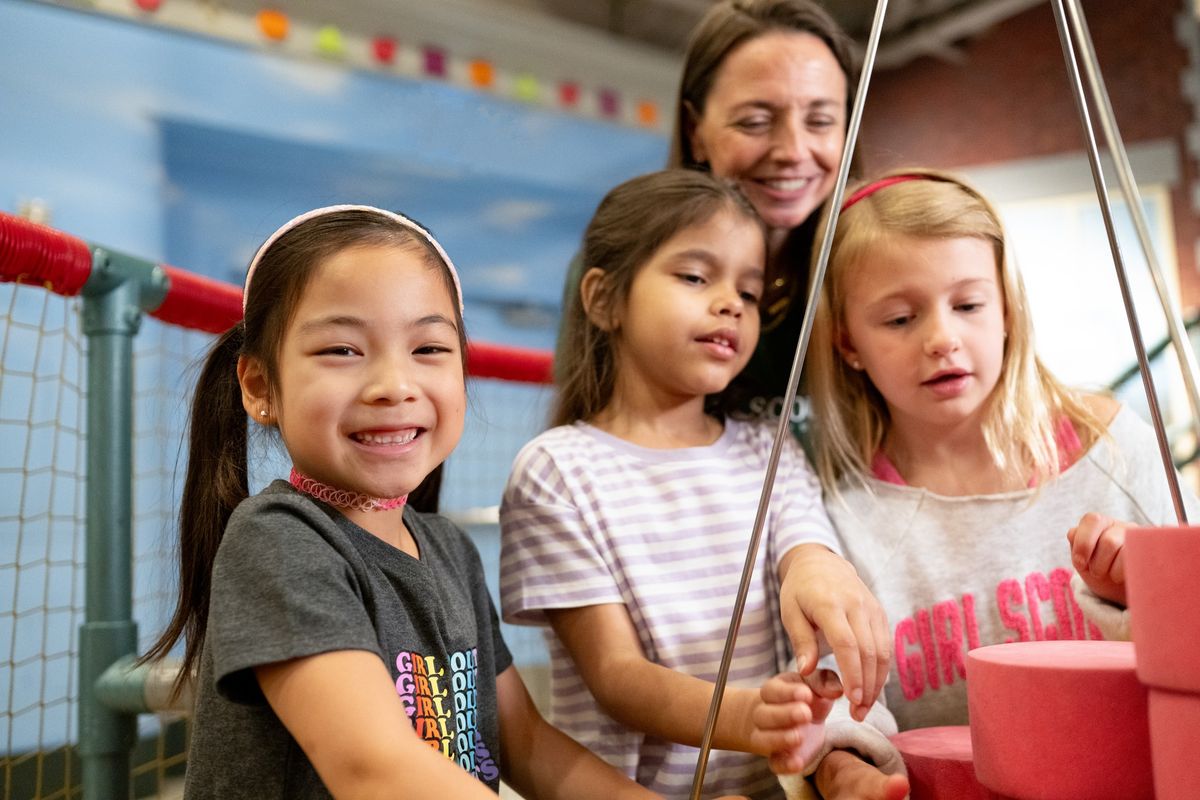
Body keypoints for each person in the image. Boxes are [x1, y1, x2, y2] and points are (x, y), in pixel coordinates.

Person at [140, 205, 701, 799]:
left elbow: (528, 745)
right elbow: (373, 769)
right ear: (259, 386)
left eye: (429, 349)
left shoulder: (450, 550)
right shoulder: (279, 539)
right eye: (341, 350)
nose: (394, 385)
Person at [500, 170, 908, 800]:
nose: (730, 304)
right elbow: (615, 674)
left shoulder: (766, 447)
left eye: (748, 292)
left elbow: (806, 548)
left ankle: (845, 768)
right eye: (695, 277)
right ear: (604, 299)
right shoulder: (557, 470)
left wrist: (823, 576)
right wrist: (748, 717)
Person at [805, 168, 1200, 749]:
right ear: (847, 344)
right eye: (899, 319)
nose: (942, 338)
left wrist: (1132, 595)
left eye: (968, 304)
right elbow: (845, 708)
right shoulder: (841, 513)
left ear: (1008, 310)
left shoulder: (1113, 447)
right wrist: (848, 761)